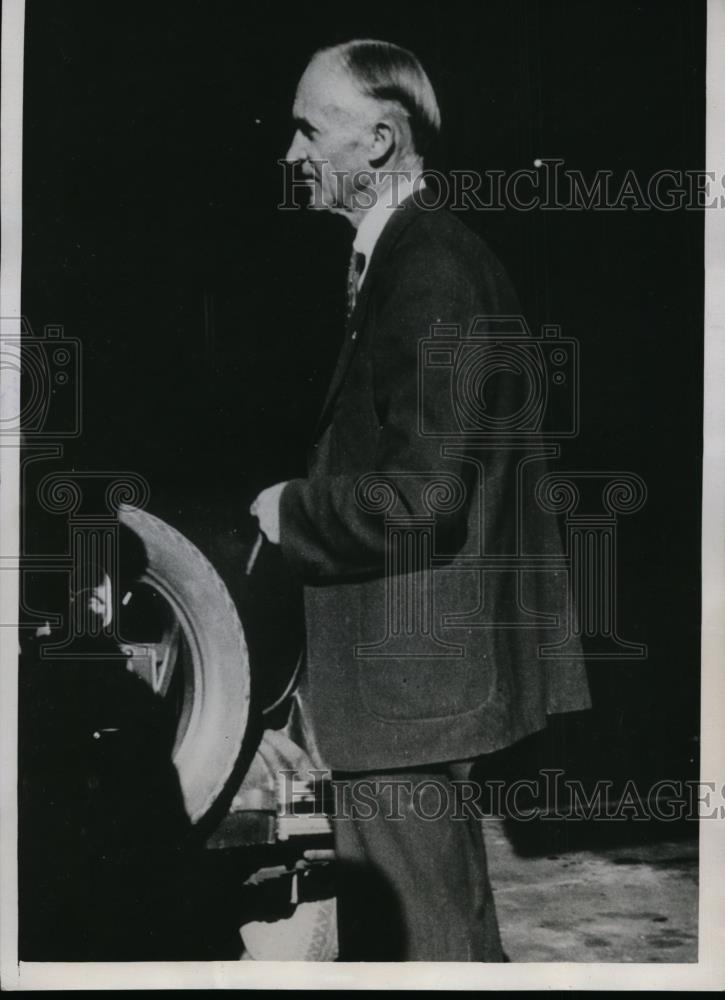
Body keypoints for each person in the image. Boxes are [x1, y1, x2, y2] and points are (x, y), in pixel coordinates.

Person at [250, 39, 590, 961]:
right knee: (444, 928)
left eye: (308, 129)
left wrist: (291, 511)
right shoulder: (420, 252)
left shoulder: (427, 266)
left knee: (419, 943)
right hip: (419, 671)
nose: (290, 155)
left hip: (408, 678)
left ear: (378, 142)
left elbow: (427, 496)